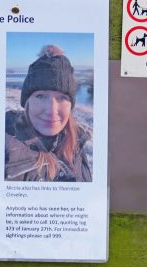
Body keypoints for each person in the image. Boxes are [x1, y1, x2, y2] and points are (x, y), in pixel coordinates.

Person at [5, 44, 93, 182]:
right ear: (27, 102)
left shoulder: (76, 143)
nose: (51, 110)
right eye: (40, 96)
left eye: (62, 98)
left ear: (71, 104)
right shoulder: (7, 148)